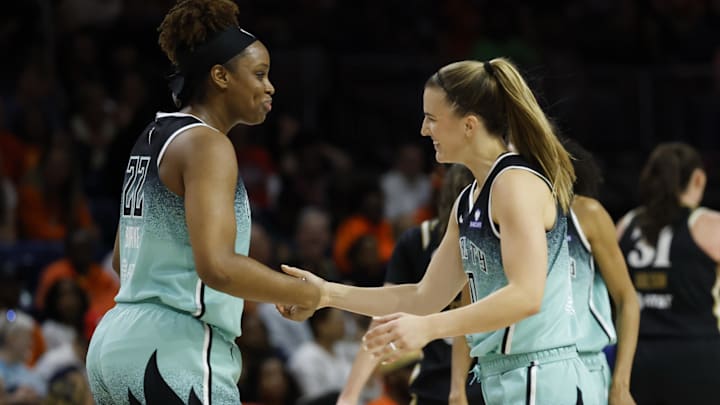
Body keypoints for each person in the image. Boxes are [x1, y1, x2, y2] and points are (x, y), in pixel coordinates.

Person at [280, 58, 594, 404]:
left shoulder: (514, 184)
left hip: (540, 376)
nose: (423, 130)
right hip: (499, 376)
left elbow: (526, 296)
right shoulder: (469, 200)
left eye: (431, 118)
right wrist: (326, 293)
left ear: (469, 125)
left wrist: (429, 328)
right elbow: (423, 297)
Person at [85, 1, 321, 404]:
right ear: (220, 76)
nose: (270, 87)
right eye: (260, 74)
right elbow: (217, 267)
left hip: (115, 345)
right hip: (173, 351)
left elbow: (122, 259)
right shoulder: (208, 145)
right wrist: (301, 292)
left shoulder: (154, 136)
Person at [338, 164, 484, 405]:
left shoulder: (503, 239)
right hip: (435, 380)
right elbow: (383, 318)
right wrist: (349, 394)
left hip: (494, 375)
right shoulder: (418, 242)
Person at [616, 142, 720, 405]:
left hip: (635, 358)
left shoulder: (625, 225)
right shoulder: (708, 225)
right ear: (698, 178)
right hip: (697, 356)